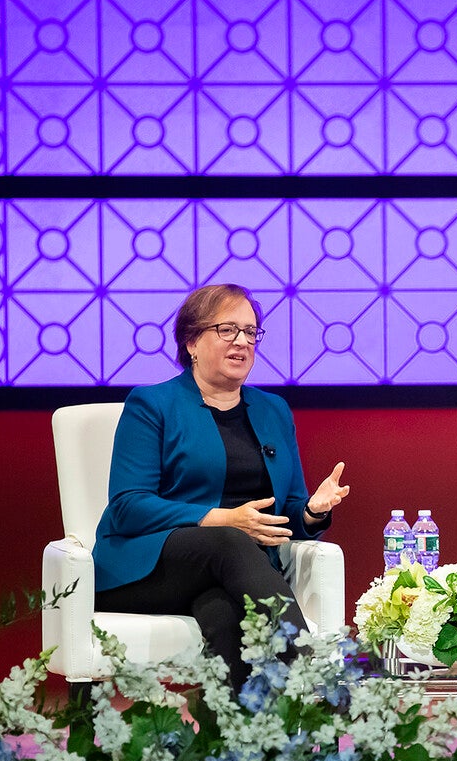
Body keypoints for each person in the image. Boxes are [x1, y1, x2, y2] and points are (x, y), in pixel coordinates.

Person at [93, 282, 350, 690]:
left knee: (225, 618)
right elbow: (127, 506)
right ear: (192, 341)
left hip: (233, 574)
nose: (242, 342)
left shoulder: (272, 409)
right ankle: (321, 674)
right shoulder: (152, 404)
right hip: (149, 568)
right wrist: (220, 518)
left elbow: (286, 515)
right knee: (229, 539)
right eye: (227, 330)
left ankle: (236, 749)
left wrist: (312, 511)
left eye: (250, 332)